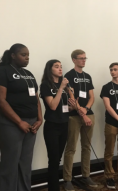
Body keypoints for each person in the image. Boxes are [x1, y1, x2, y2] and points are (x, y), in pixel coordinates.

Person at [0, 44, 42, 191]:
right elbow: (0, 100)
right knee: (10, 162)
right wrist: (19, 122)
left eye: (28, 55)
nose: (27, 58)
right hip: (11, 124)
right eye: (23, 55)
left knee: (25, 162)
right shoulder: (2, 72)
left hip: (32, 123)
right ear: (13, 55)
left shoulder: (29, 74)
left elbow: (36, 98)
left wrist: (40, 119)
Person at [40, 60, 80, 191]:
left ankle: (55, 186)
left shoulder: (65, 86)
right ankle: (53, 188)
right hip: (52, 126)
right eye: (56, 67)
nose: (60, 69)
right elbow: (52, 106)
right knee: (53, 159)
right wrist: (61, 88)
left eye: (61, 66)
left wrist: (73, 106)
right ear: (49, 69)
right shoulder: (46, 85)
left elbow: (65, 108)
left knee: (58, 160)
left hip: (64, 124)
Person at [63, 49, 97, 190]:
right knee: (71, 148)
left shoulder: (88, 76)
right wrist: (80, 112)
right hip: (74, 116)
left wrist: (86, 110)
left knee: (86, 146)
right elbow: (71, 97)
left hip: (88, 114)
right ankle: (67, 179)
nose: (83, 60)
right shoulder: (68, 75)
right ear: (73, 60)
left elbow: (92, 97)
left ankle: (86, 175)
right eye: (81, 58)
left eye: (85, 58)